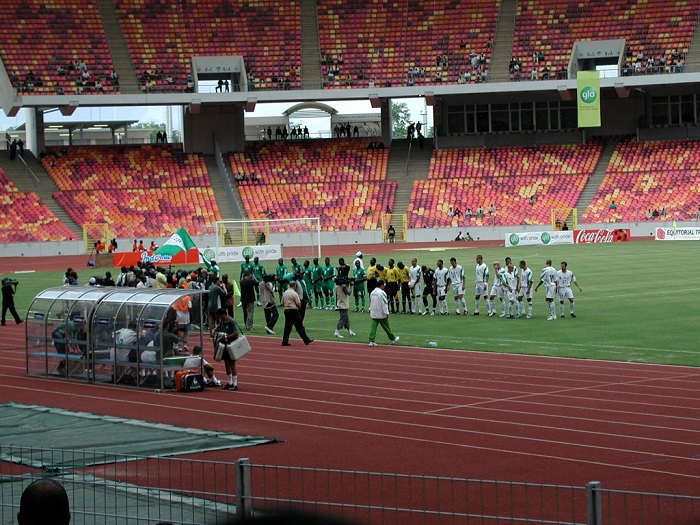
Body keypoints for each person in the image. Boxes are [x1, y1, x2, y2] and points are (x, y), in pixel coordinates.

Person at [212, 308, 242, 390]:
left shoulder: (232, 322)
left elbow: (236, 333)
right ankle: (229, 383)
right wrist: (214, 330)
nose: (218, 318)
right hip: (224, 345)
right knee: (226, 363)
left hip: (231, 345)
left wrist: (227, 337)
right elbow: (218, 328)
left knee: (232, 364)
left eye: (219, 316)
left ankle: (235, 384)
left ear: (222, 315)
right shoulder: (222, 322)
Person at [281, 277, 314, 346]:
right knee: (299, 326)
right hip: (293, 310)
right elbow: (298, 303)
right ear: (294, 286)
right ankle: (306, 340)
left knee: (287, 327)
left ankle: (285, 341)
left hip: (286, 310)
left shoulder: (285, 292)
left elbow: (282, 302)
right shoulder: (294, 293)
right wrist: (299, 308)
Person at [368, 280, 399, 347]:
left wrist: (370, 310)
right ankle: (392, 338)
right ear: (381, 285)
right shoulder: (382, 293)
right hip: (381, 313)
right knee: (386, 327)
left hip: (373, 313)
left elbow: (371, 302)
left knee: (373, 328)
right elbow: (385, 304)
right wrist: (387, 313)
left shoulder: (372, 292)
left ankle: (371, 341)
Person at [333, 270, 355, 338]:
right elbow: (349, 293)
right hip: (343, 304)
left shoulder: (337, 286)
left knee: (346, 319)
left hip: (340, 303)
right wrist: (351, 286)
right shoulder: (343, 287)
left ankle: (349, 331)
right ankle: (336, 331)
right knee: (343, 319)